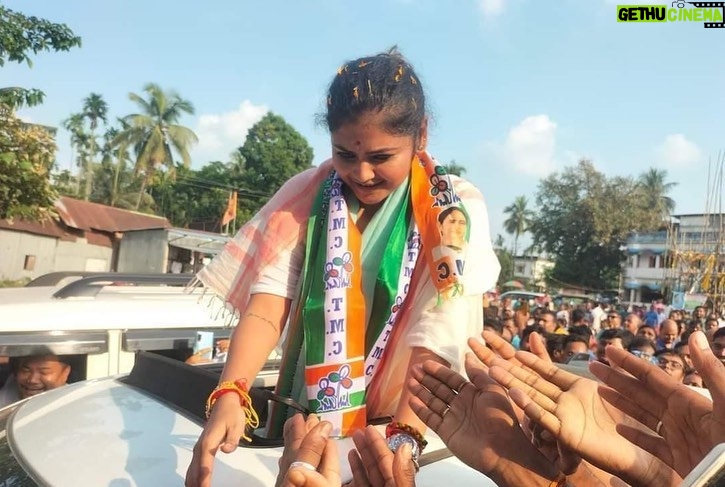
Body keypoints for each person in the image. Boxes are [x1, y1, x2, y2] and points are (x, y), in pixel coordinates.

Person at [185, 48, 500, 487]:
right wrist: (231, 393)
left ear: (421, 136)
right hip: (306, 420)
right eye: (345, 155)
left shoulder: (451, 209)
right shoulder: (309, 193)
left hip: (407, 426)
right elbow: (267, 304)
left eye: (381, 156)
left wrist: (403, 442)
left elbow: (439, 332)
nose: (363, 173)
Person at [0, 352, 71, 408]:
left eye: (44, 372)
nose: (32, 380)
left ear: (65, 372)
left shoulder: (73, 407)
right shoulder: (5, 398)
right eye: (26, 370)